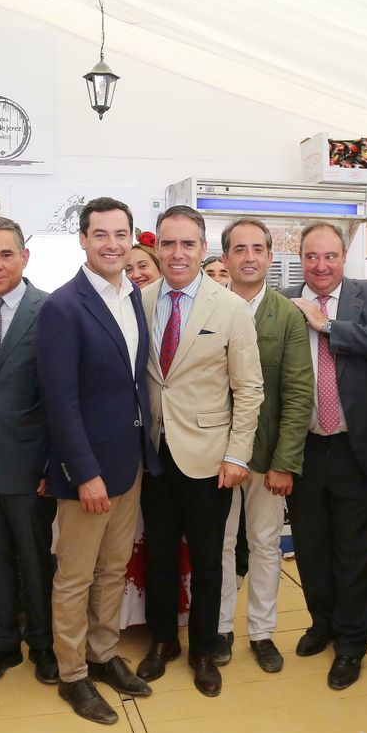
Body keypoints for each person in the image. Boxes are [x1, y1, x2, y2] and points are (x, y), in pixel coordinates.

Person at [36, 196, 160, 725]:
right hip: (87, 470)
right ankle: (72, 675)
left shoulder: (131, 297)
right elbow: (59, 401)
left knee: (113, 569)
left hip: (128, 461)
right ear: (83, 241)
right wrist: (83, 473)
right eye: (101, 235)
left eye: (121, 234)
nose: (112, 244)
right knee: (75, 576)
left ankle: (103, 653)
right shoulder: (64, 307)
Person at [136, 206, 263, 698]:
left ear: (204, 249)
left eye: (188, 244)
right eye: (168, 244)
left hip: (211, 456)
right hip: (153, 453)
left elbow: (249, 389)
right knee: (160, 555)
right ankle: (162, 639)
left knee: (210, 559)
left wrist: (237, 456)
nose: (177, 253)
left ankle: (205, 650)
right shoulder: (139, 300)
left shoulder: (228, 307)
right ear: (157, 249)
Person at [284, 221, 367, 690]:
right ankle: (322, 623)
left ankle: (352, 643)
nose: (321, 266)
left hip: (358, 446)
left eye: (330, 256)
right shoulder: (283, 301)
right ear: (300, 259)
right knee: (311, 545)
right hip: (306, 446)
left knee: (353, 551)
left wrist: (327, 325)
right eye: (311, 257)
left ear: (344, 255)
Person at [0, 217, 59, 684]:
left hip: (28, 461)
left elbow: (60, 394)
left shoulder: (51, 310)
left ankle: (43, 643)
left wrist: (51, 463)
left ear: (24, 257)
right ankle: (3, 643)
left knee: (35, 558)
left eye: (5, 254)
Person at [217, 217, 313, 674]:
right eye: (240, 249)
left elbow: (298, 393)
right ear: (225, 258)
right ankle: (218, 629)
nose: (249, 257)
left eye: (258, 249)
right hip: (213, 451)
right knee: (218, 544)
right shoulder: (208, 308)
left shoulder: (287, 314)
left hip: (269, 452)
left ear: (271, 258)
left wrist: (285, 462)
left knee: (265, 544)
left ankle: (261, 632)